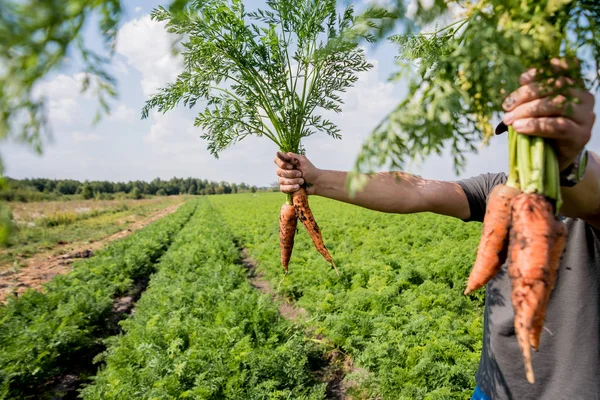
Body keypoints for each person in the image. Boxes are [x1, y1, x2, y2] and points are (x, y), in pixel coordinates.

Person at [274, 59, 599, 399]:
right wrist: (318, 178)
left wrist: (566, 162)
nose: (526, 137)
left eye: (536, 129)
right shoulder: (495, 189)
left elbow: (588, 194)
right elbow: (415, 189)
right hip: (492, 388)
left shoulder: (589, 186)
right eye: (517, 129)